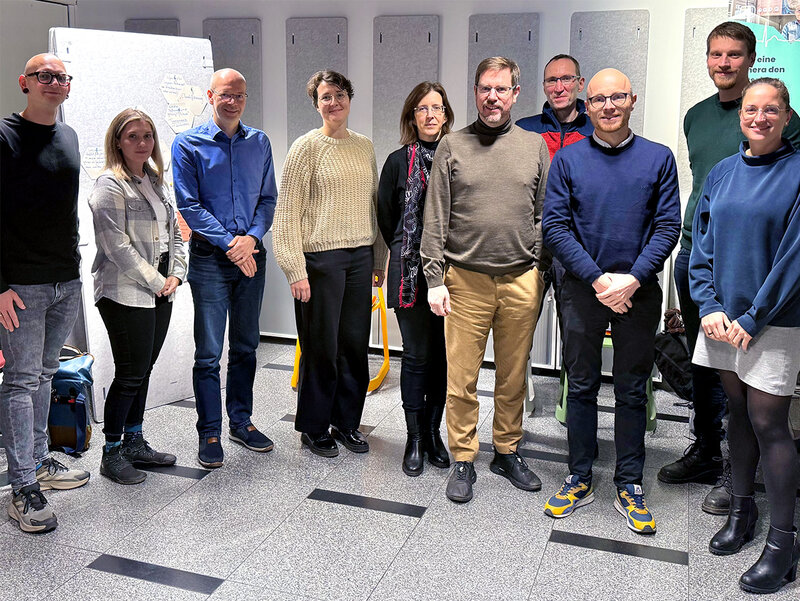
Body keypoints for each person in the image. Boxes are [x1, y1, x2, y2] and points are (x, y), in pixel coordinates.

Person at [657, 21, 800, 517]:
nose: (724, 63)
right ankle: (705, 450)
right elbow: (707, 188)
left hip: (759, 274)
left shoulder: (783, 123)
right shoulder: (696, 117)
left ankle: (734, 475)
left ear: (750, 58)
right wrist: (696, 270)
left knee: (755, 398)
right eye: (716, 54)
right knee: (708, 371)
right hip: (700, 259)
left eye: (734, 55)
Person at [542, 68, 680, 534]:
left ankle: (629, 483)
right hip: (583, 291)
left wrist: (633, 279)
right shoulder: (568, 160)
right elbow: (555, 227)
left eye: (617, 97)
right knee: (579, 384)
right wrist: (601, 280)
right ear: (587, 103)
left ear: (632, 99)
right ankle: (579, 476)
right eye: (598, 99)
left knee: (631, 389)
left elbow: (668, 227)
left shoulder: (658, 158)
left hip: (638, 294)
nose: (607, 106)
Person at [421, 57, 550, 503]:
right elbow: (434, 217)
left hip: (520, 280)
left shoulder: (534, 146)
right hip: (465, 281)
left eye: (501, 89)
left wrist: (537, 266)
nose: (491, 97)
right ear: (475, 92)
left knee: (513, 376)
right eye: (484, 88)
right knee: (462, 378)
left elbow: (542, 213)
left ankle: (506, 450)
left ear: (516, 93)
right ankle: (462, 456)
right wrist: (434, 277)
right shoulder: (452, 146)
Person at [691, 78, 800, 595]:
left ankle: (783, 543)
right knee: (736, 412)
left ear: (786, 116)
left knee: (769, 422)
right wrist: (708, 304)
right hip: (720, 319)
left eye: (770, 109)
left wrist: (753, 317)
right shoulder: (722, 172)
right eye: (751, 109)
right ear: (741, 117)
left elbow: (794, 262)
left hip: (773, 319)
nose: (759, 118)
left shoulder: (798, 173)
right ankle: (742, 512)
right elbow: (701, 246)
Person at [273, 70, 387, 458]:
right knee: (320, 347)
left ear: (349, 98)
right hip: (319, 261)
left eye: (339, 94)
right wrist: (295, 269)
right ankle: (313, 426)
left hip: (359, 257)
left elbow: (374, 205)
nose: (333, 102)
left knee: (354, 346)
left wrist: (378, 259)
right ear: (316, 104)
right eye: (325, 97)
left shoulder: (364, 146)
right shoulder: (305, 148)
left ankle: (347, 422)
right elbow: (286, 214)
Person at [0, 53, 90, 533]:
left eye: (61, 77)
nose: (53, 83)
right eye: (44, 76)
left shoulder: (69, 136)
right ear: (25, 83)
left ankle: (38, 463)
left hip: (64, 280)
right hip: (20, 286)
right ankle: (22, 487)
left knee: (45, 375)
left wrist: (74, 273)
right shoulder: (4, 136)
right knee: (19, 381)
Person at [172, 68, 277, 468]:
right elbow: (189, 205)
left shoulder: (259, 142)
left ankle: (241, 422)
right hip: (211, 260)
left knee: (248, 345)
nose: (232, 101)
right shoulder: (188, 144)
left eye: (240, 95)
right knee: (209, 352)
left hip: (252, 256)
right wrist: (231, 244)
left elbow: (267, 198)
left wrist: (250, 239)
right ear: (211, 96)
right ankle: (210, 430)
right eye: (225, 95)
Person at [88, 109, 187, 484]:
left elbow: (175, 231)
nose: (142, 143)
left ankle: (134, 441)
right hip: (124, 290)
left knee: (142, 370)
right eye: (133, 136)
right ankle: (111, 453)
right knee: (130, 373)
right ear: (118, 140)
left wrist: (177, 273)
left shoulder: (155, 179)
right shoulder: (109, 185)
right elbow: (116, 246)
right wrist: (156, 280)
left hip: (161, 287)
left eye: (147, 136)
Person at [377, 81, 454, 476]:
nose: (429, 115)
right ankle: (414, 438)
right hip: (409, 273)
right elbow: (386, 218)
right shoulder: (396, 161)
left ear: (446, 115)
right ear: (412, 116)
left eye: (436, 108)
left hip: (451, 276)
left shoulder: (458, 156)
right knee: (418, 355)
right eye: (422, 108)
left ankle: (434, 432)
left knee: (442, 359)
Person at [516, 54, 593, 159]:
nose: (558, 88)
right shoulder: (524, 130)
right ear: (544, 88)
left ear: (580, 84)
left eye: (566, 79)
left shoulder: (596, 131)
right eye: (551, 80)